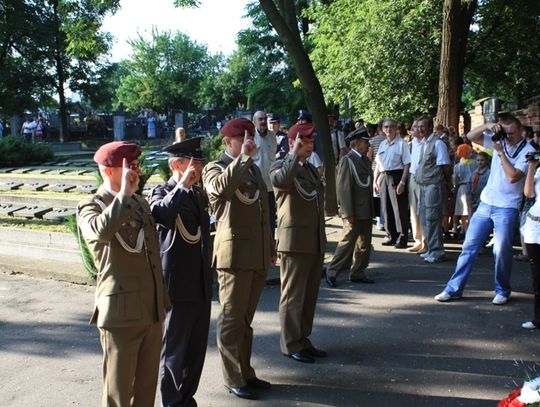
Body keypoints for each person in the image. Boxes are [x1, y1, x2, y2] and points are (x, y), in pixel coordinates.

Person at [77, 141, 170, 407]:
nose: (137, 172)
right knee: (118, 393)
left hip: (151, 309)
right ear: (108, 171)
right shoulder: (91, 205)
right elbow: (99, 232)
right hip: (120, 314)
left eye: (138, 165)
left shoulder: (140, 201)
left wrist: (161, 302)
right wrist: (124, 196)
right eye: (130, 166)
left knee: (145, 389)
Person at [202, 118, 275, 400]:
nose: (249, 141)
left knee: (246, 319)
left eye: (250, 137)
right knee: (232, 319)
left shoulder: (254, 168)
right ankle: (233, 377)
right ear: (227, 142)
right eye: (242, 137)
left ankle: (245, 371)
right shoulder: (215, 167)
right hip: (233, 256)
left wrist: (270, 247)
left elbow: (263, 212)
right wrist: (243, 158)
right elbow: (219, 189)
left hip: (255, 254)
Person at [435, 116, 536, 305]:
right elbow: (470, 136)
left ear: (521, 130)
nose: (507, 137)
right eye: (505, 133)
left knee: (501, 250)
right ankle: (453, 289)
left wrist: (499, 153)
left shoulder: (528, 151)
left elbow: (513, 176)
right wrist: (488, 126)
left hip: (507, 207)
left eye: (511, 134)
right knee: (468, 248)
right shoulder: (499, 140)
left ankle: (502, 290)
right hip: (486, 204)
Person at [148, 137, 211, 407]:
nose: (198, 167)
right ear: (176, 164)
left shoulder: (198, 192)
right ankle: (171, 402)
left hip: (200, 280)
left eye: (199, 162)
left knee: (196, 348)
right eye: (193, 162)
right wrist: (183, 184)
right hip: (177, 283)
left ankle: (187, 399)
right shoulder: (162, 192)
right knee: (174, 349)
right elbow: (161, 215)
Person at [270, 121, 326, 364]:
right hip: (294, 240)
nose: (309, 145)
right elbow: (281, 181)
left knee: (309, 293)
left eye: (311, 141)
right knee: (293, 295)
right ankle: (290, 343)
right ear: (292, 143)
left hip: (312, 238)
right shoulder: (281, 164)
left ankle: (303, 338)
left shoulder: (311, 169)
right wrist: (293, 153)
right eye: (304, 141)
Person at [325, 128, 375, 288]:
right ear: (358, 143)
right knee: (347, 243)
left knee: (364, 244)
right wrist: (347, 212)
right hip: (354, 209)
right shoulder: (348, 160)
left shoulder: (364, 160)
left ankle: (358, 272)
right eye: (365, 142)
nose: (368, 145)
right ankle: (332, 271)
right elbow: (344, 188)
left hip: (365, 209)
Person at [415, 116, 452, 264]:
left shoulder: (438, 143)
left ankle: (437, 251)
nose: (420, 129)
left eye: (422, 126)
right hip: (423, 185)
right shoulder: (423, 143)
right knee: (424, 217)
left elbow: (445, 166)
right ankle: (430, 249)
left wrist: (448, 184)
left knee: (432, 218)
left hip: (433, 185)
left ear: (430, 127)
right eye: (418, 127)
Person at [374, 118, 411, 248]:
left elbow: (407, 164)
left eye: (391, 127)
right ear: (383, 129)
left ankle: (402, 238)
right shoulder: (383, 144)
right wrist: (375, 180)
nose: (388, 129)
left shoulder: (402, 144)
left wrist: (402, 182)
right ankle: (391, 235)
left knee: (399, 209)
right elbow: (378, 164)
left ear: (396, 128)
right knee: (386, 208)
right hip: (384, 176)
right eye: (386, 127)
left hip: (397, 176)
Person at [521, 149, 540, 329]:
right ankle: (538, 319)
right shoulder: (538, 171)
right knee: (537, 276)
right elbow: (528, 193)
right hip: (534, 227)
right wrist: (532, 167)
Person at [252, 110, 277, 234]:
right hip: (255, 187)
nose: (263, 122)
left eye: (264, 119)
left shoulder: (273, 136)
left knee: (271, 219)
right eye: (260, 119)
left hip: (270, 187)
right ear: (254, 122)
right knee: (257, 219)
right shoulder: (251, 137)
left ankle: (271, 246)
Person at [407, 120, 426, 253]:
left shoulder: (429, 143)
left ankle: (426, 241)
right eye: (414, 127)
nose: (416, 130)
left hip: (425, 179)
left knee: (424, 211)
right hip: (412, 177)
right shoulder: (410, 144)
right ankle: (418, 240)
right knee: (414, 212)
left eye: (419, 127)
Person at [452, 143, 475, 240]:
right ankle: (469, 231)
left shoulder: (458, 166)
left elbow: (455, 179)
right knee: (471, 211)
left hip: (462, 188)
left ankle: (464, 230)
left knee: (463, 212)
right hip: (473, 187)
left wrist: (454, 185)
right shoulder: (475, 163)